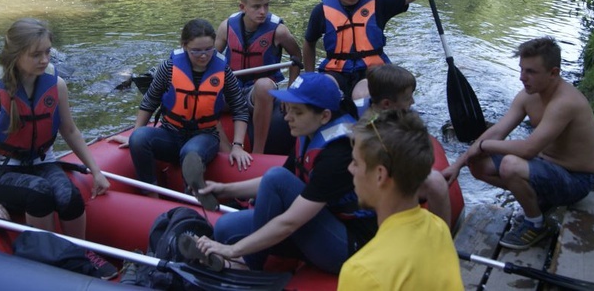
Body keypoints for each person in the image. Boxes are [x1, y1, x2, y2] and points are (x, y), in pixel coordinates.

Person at [0, 18, 116, 278]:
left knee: (69, 196)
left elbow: (69, 131)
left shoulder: (55, 85)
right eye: (36, 54)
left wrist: (96, 171)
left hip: (42, 162)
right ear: (16, 54)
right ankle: (52, 260)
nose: (45, 59)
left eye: (47, 52)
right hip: (1, 169)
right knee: (39, 194)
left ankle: (78, 252)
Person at [193, 72, 377, 274]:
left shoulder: (338, 153)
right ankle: (251, 256)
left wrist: (233, 250)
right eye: (288, 109)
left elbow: (291, 221)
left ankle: (248, 264)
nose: (287, 117)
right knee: (226, 228)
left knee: (275, 178)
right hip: (321, 219)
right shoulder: (309, 131)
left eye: (297, 112)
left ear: (324, 115)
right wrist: (224, 189)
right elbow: (284, 179)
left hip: (351, 247)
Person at [443, 36, 594, 250]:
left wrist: (484, 146)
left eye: (531, 72)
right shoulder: (528, 95)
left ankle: (536, 225)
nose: (522, 77)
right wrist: (458, 164)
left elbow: (528, 148)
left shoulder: (565, 102)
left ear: (554, 73)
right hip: (546, 166)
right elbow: (497, 131)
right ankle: (538, 201)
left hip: (575, 180)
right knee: (477, 163)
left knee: (509, 165)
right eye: (522, 69)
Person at [111, 19, 252, 211]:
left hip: (205, 135)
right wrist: (136, 132)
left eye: (209, 49)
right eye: (196, 51)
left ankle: (193, 198)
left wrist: (237, 145)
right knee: (139, 138)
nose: (204, 56)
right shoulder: (169, 67)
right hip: (171, 133)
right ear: (184, 46)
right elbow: (150, 101)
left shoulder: (223, 71)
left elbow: (239, 107)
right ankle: (152, 196)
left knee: (190, 155)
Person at [338, 109, 463, 290]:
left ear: (380, 175)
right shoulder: (438, 227)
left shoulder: (362, 271)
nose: (351, 169)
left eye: (356, 162)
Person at [302, 0, 426, 100]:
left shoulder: (380, 1)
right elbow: (309, 42)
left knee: (361, 95)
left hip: (372, 72)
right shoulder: (321, 11)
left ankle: (368, 121)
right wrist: (309, 76)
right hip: (336, 71)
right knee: (323, 89)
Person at [355, 64, 452, 228]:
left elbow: (362, 84)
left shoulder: (369, 105)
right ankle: (443, 237)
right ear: (386, 104)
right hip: (380, 183)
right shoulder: (380, 133)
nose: (413, 101)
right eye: (408, 98)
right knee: (437, 183)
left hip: (377, 174)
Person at [215, 0, 302, 154]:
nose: (262, 11)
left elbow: (296, 57)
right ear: (243, 7)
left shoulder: (279, 31)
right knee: (207, 89)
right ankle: (224, 150)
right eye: (256, 7)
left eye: (266, 5)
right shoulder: (226, 27)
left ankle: (258, 153)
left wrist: (290, 90)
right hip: (232, 90)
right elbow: (211, 62)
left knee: (263, 85)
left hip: (258, 92)